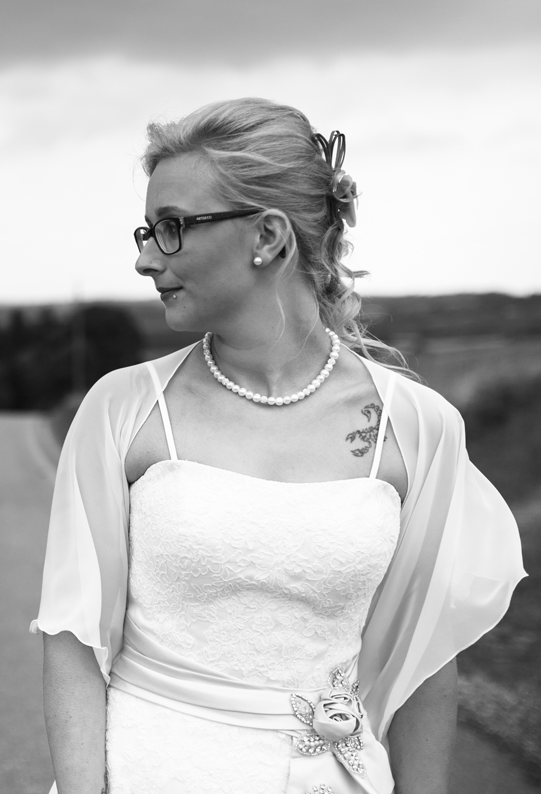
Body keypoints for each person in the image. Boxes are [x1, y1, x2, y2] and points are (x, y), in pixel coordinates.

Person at [31, 98, 525, 794]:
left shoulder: (417, 426)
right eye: (147, 230)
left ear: (267, 234)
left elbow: (425, 662)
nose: (145, 258)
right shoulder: (123, 410)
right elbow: (73, 641)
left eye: (172, 228)